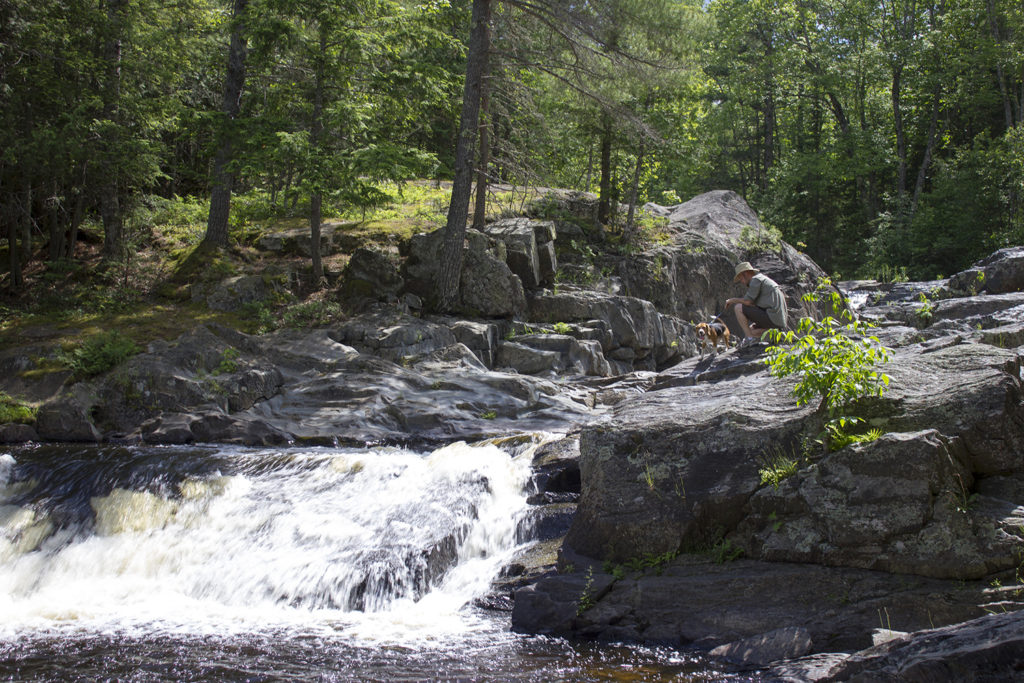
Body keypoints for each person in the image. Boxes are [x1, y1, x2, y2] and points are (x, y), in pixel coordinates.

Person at [725, 261, 788, 347]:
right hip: (778, 320)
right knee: (750, 330)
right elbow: (753, 305)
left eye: (741, 279)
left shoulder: (756, 279)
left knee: (738, 307)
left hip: (773, 317)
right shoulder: (762, 279)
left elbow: (747, 302)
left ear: (745, 273)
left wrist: (732, 300)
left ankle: (750, 340)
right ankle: (774, 334)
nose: (742, 282)